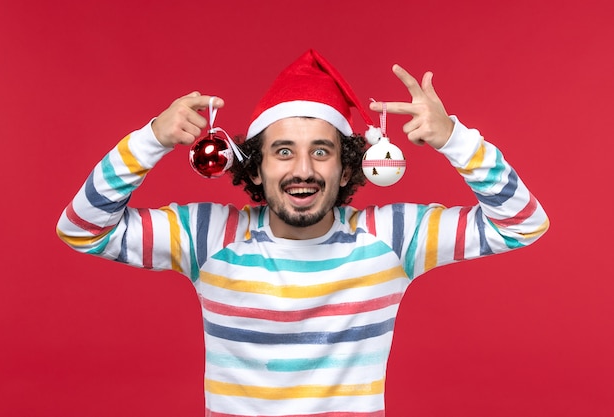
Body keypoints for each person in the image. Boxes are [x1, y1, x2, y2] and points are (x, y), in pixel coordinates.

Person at [57, 49, 549, 417]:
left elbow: (522, 224)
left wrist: (454, 139)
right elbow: (81, 230)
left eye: (321, 151)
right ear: (254, 168)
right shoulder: (207, 237)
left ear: (346, 167)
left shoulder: (393, 238)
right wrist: (151, 139)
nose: (303, 170)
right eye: (284, 151)